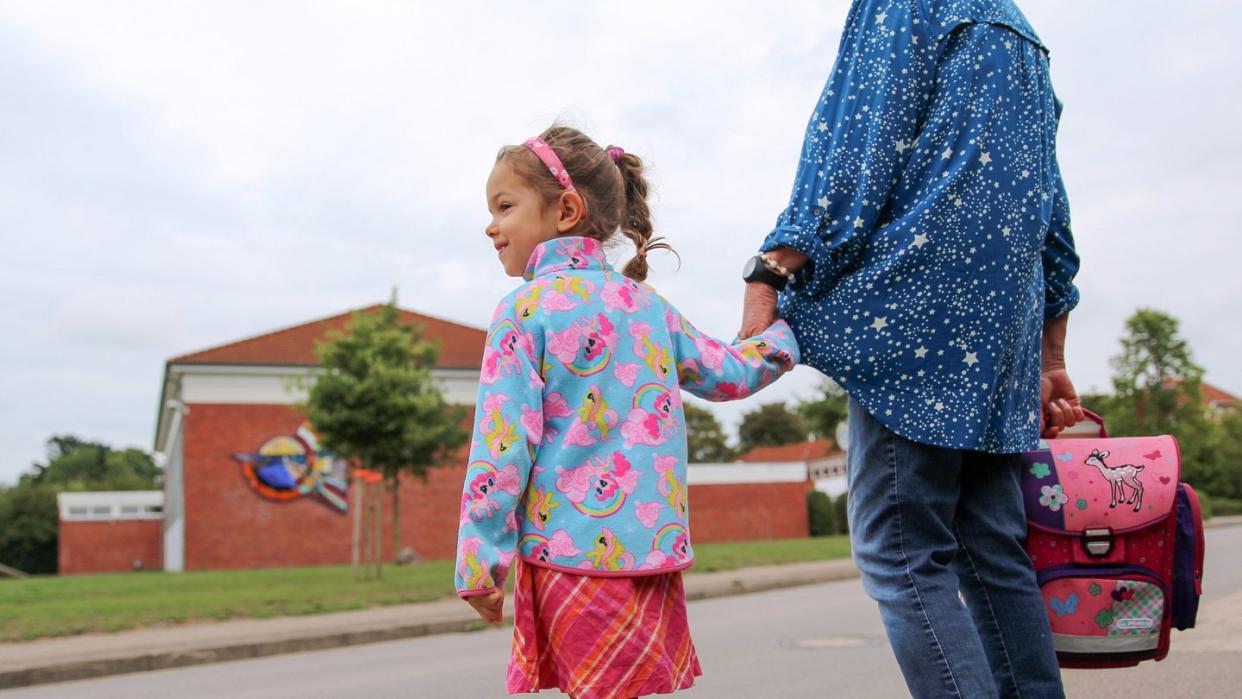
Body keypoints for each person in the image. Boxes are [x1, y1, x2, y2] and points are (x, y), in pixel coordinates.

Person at [739, 1, 1083, 697]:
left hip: (915, 326)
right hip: (1000, 337)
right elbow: (1051, 210)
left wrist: (771, 269)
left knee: (901, 552)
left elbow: (859, 144)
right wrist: (1049, 355)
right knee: (991, 552)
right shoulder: (1018, 29)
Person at [456, 125, 799, 698]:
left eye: (505, 206)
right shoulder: (648, 308)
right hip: (651, 557)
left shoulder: (524, 311)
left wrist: (480, 559)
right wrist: (785, 336)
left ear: (565, 209)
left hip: (570, 556)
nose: (491, 226)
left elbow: (503, 445)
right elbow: (729, 375)